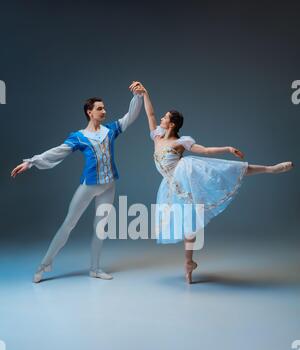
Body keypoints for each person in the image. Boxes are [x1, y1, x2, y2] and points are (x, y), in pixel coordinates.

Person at [130, 82, 294, 283]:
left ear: (171, 124)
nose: (161, 119)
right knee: (188, 224)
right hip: (173, 186)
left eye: (165, 117)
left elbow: (205, 150)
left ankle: (270, 169)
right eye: (163, 117)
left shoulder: (180, 143)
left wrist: (227, 148)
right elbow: (150, 115)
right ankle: (189, 263)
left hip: (187, 174)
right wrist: (145, 93)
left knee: (226, 170)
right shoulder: (156, 137)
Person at [11, 82, 144, 282]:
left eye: (104, 108)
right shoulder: (79, 137)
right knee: (68, 225)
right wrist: (31, 162)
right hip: (88, 186)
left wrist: (138, 96)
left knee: (101, 227)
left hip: (109, 186)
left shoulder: (110, 130)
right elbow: (57, 151)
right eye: (100, 108)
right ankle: (43, 266)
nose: (104, 111)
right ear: (89, 112)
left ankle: (95, 268)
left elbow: (130, 117)